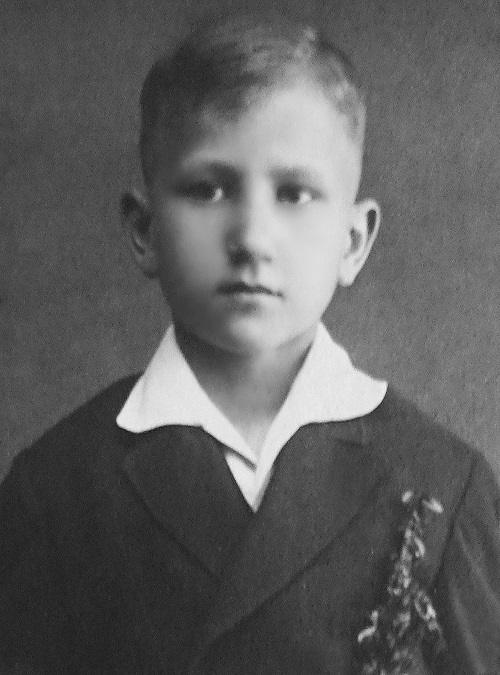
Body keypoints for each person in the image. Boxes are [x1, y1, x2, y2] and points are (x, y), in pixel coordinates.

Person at [1, 14, 499, 675]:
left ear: (353, 241)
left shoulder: (442, 482)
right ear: (145, 230)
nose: (253, 237)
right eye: (208, 190)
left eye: (295, 193)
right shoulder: (59, 487)